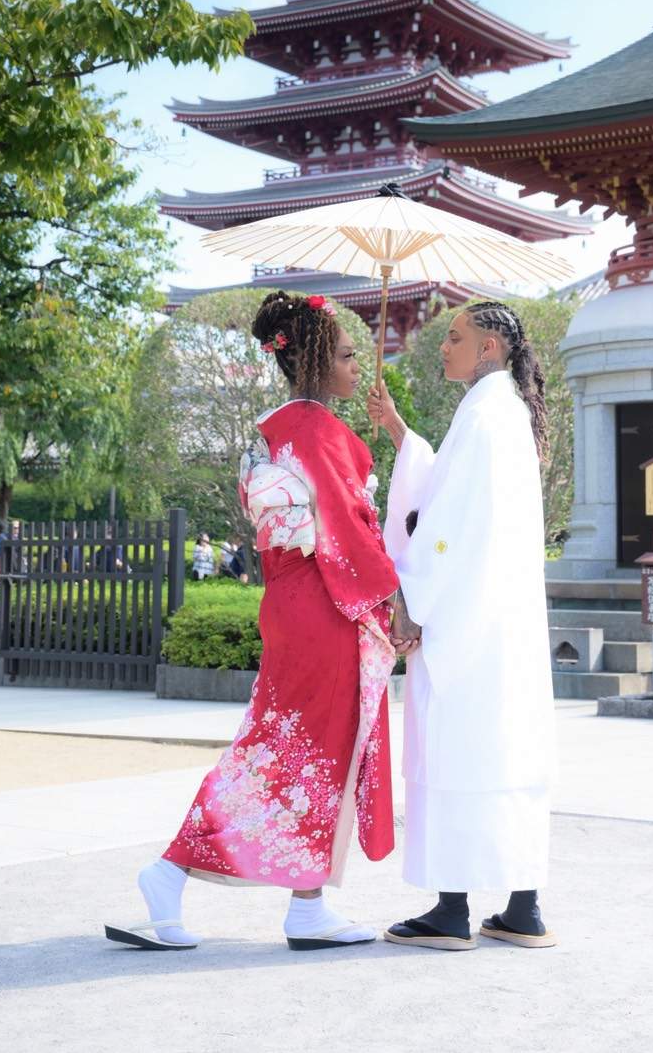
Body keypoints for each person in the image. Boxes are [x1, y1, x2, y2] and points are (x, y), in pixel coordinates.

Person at [105, 290, 400, 954]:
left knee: (293, 749)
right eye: (346, 355)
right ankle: (173, 871)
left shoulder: (276, 427)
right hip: (325, 605)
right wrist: (395, 602)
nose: (357, 367)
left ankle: (304, 905)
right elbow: (350, 533)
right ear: (315, 358)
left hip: (290, 601)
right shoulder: (317, 430)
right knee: (297, 750)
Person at [368, 301, 557, 951]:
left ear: (490, 347)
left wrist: (412, 599)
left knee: (455, 749)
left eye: (454, 337)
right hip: (504, 620)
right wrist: (399, 430)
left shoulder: (481, 415)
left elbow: (444, 521)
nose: (443, 346)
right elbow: (446, 495)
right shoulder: (505, 412)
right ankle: (523, 907)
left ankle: (451, 909)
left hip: (465, 617)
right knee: (506, 752)